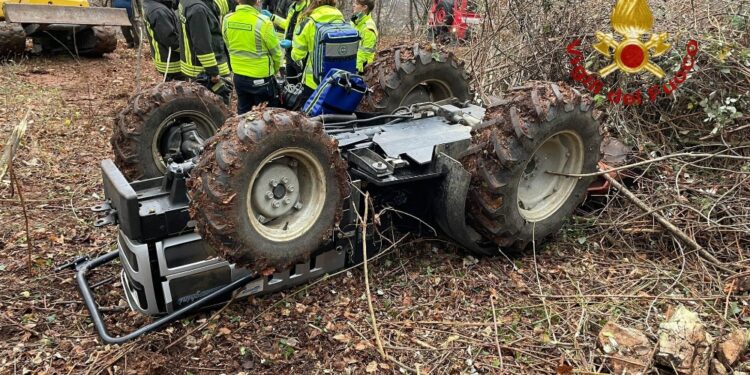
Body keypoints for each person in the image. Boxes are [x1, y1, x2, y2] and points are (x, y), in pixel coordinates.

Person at [222, 0, 282, 114]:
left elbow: (228, 43)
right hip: (261, 78)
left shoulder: (227, 19)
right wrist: (275, 70)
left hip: (239, 75)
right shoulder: (263, 22)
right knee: (266, 115)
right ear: (257, 1)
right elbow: (277, 53)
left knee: (243, 112)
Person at [289, 0, 345, 102]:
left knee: (308, 115)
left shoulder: (309, 22)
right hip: (338, 79)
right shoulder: (341, 20)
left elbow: (297, 55)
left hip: (313, 82)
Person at [178, 0, 234, 101]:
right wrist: (213, 72)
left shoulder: (188, 3)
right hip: (207, 70)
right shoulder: (197, 9)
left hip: (195, 64)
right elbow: (202, 44)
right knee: (217, 106)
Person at [261, 0, 309, 83]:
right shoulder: (293, 7)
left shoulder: (309, 9)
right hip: (289, 54)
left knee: (300, 85)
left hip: (300, 56)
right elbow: (288, 24)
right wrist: (272, 17)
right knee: (290, 82)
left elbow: (309, 36)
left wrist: (292, 44)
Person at [142, 0, 183, 80]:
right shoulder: (158, 11)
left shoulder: (153, 4)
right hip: (171, 62)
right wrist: (189, 50)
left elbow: (172, 4)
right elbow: (172, 41)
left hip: (164, 56)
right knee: (177, 89)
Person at [350, 0, 377, 73]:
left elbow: (364, 55)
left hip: (362, 70)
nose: (354, 5)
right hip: (350, 62)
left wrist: (354, 72)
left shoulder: (369, 28)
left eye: (357, 4)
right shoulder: (355, 22)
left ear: (365, 7)